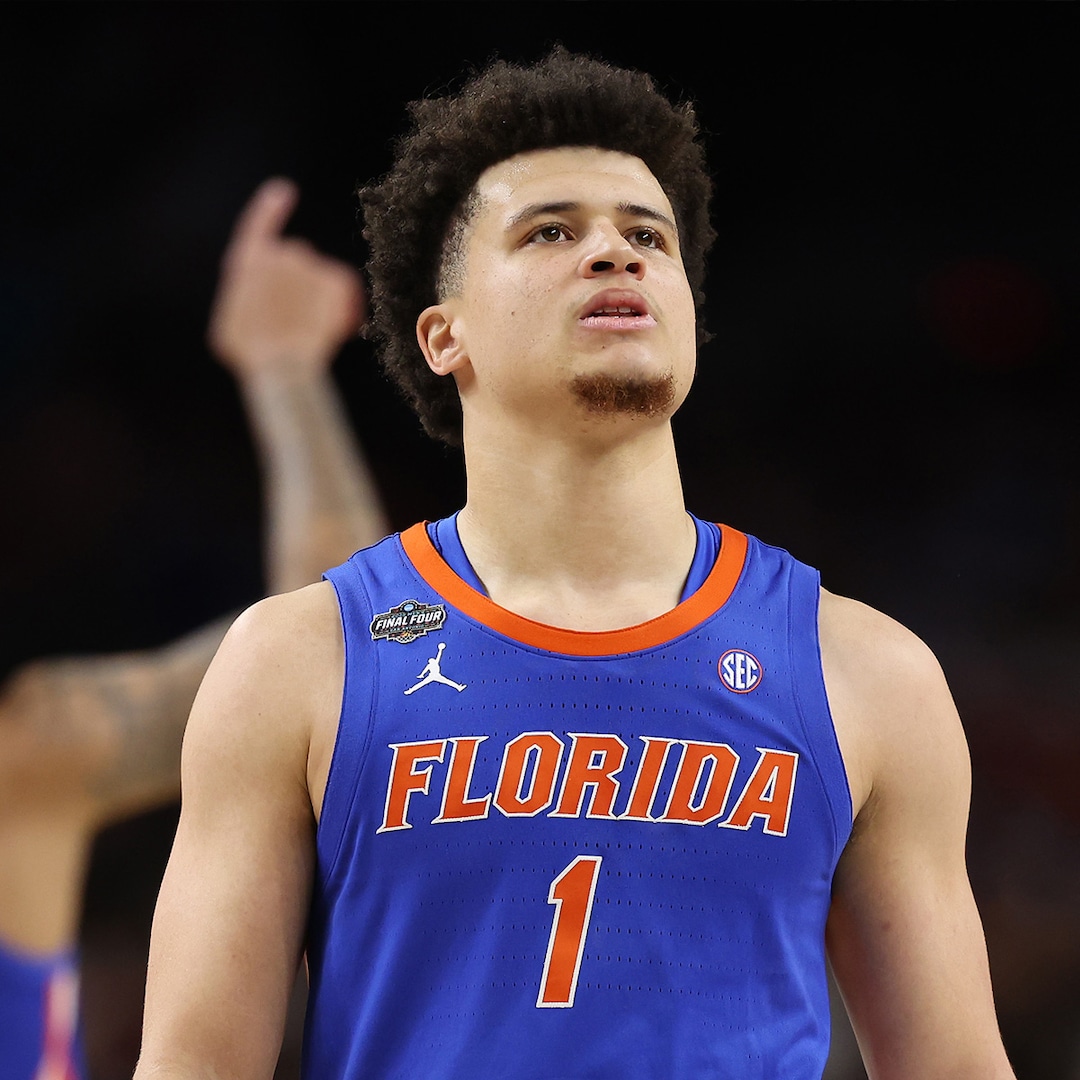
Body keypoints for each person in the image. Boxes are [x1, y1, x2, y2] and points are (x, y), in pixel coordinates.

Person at [134, 50, 1016, 1079]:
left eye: (648, 236)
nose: (616, 253)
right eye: (552, 231)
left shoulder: (866, 671)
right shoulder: (297, 660)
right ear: (442, 335)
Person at [0, 176, 388, 1079]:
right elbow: (335, 656)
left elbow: (332, 664)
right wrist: (283, 369)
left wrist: (285, 370)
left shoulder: (33, 753)